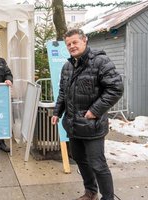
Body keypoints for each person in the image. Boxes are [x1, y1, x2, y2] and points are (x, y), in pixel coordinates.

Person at [51, 29, 124, 200]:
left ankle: (108, 198)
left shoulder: (100, 61)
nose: (71, 46)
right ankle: (90, 192)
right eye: (68, 44)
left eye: (75, 42)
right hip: (73, 124)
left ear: (85, 41)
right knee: (79, 159)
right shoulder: (68, 66)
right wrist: (57, 112)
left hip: (92, 125)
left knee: (98, 165)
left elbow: (116, 88)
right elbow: (63, 92)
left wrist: (94, 111)